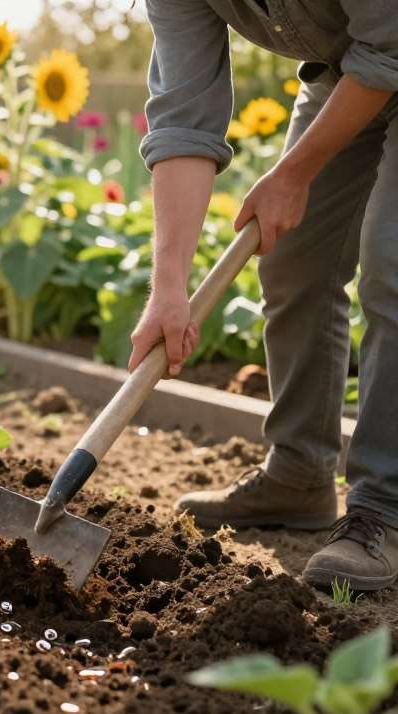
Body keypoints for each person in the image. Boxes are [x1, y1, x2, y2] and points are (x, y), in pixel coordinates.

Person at [132, 1, 398, 590]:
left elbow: (391, 42)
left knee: (393, 263)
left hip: (387, 46)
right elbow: (185, 117)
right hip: (350, 71)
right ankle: (301, 473)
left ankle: (385, 506)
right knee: (295, 259)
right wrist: (169, 287)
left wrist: (295, 174)